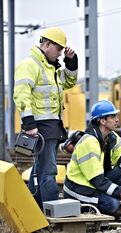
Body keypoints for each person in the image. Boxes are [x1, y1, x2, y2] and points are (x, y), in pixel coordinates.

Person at [13, 27, 78, 209]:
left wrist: (71, 62)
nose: (59, 54)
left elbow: (69, 83)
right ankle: (53, 212)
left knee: (40, 169)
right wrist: (29, 124)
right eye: (58, 50)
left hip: (53, 126)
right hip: (40, 127)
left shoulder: (51, 68)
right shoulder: (30, 65)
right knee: (48, 171)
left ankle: (38, 209)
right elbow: (21, 94)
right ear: (47, 45)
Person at [63, 100, 121, 215]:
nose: (117, 119)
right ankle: (106, 199)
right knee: (112, 205)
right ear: (102, 121)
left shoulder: (111, 136)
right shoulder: (89, 142)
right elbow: (96, 178)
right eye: (113, 117)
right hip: (79, 190)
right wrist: (117, 192)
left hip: (94, 185)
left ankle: (106, 196)